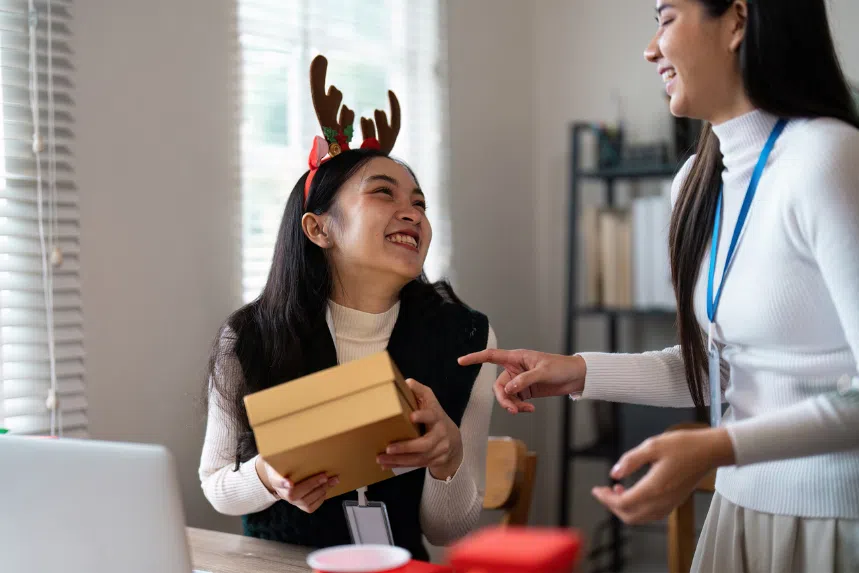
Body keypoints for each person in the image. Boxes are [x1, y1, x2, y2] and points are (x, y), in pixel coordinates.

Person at [461, 1, 859, 571]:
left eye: (666, 18)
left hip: (835, 523)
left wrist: (718, 447)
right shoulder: (693, 187)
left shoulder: (828, 157)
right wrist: (577, 370)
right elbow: (720, 368)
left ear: (738, 21)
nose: (650, 49)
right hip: (738, 509)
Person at [199, 56, 497, 561]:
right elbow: (215, 484)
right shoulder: (250, 336)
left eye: (420, 203)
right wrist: (268, 476)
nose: (412, 213)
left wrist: (448, 457)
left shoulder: (466, 340)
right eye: (384, 193)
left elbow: (449, 531)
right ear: (319, 229)